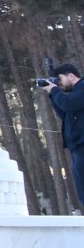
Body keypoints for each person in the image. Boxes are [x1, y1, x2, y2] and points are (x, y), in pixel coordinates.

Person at [42, 63, 84, 207]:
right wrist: (52, 94)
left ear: (71, 76)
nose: (59, 83)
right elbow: (64, 113)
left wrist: (55, 90)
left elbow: (67, 105)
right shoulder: (74, 94)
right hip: (76, 147)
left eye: (60, 79)